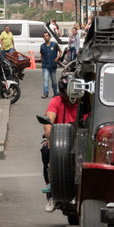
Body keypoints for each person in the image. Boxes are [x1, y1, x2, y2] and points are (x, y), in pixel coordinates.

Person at [40, 72, 79, 212]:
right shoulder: (56, 101)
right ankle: (51, 193)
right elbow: (48, 120)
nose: (72, 95)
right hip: (60, 142)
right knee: (46, 151)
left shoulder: (86, 103)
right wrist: (50, 137)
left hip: (80, 141)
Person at [40, 31, 62, 99]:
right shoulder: (42, 46)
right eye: (44, 36)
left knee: (54, 80)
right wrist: (42, 64)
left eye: (47, 35)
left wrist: (57, 58)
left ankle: (55, 92)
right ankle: (46, 93)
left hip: (53, 65)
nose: (45, 37)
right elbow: (42, 55)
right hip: (45, 65)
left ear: (49, 37)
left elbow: (60, 51)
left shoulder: (54, 44)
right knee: (46, 79)